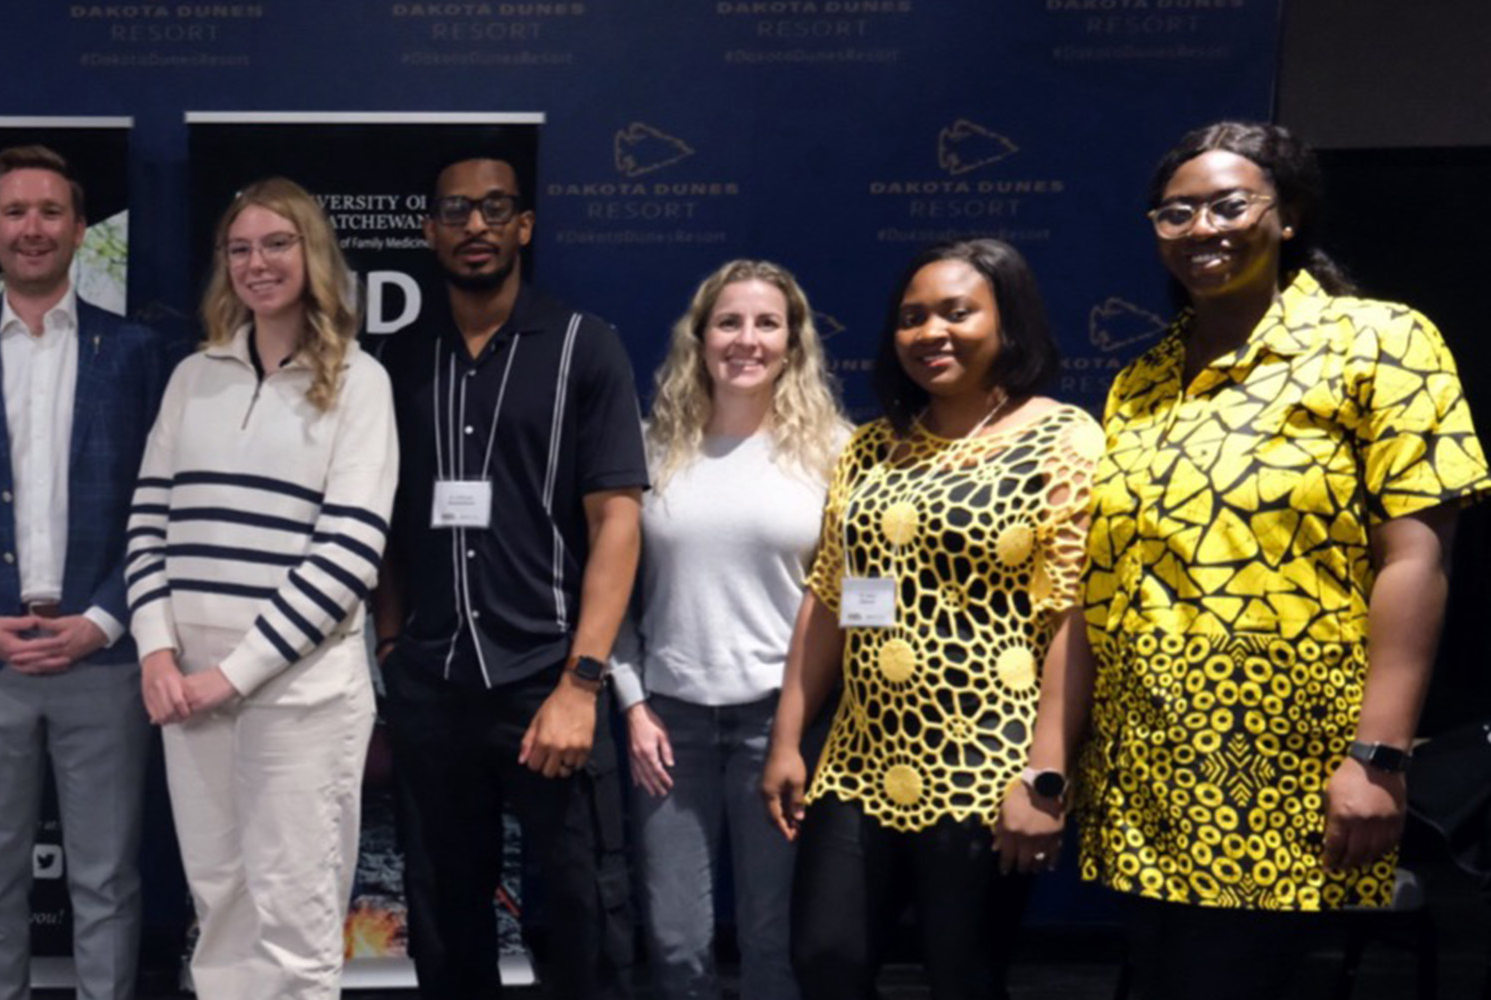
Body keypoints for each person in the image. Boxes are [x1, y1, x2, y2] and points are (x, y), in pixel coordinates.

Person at [1008, 121, 1489, 1000]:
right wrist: (1052, 765)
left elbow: (1418, 555)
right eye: (1176, 213)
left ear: (1290, 216)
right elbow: (1093, 588)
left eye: (1230, 206)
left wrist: (1377, 755)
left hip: (1288, 774)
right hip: (1142, 771)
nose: (1204, 229)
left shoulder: (1379, 341)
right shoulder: (1142, 381)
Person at [757, 238, 1097, 1000]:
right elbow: (829, 594)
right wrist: (787, 738)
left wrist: (1044, 777)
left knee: (963, 979)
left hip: (988, 766)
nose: (930, 332)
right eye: (912, 318)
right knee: (825, 961)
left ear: (1007, 323)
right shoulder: (873, 447)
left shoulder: (1062, 438)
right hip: (859, 763)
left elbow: (1071, 617)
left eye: (956, 312)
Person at [371, 156, 645, 1000]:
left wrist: (583, 680)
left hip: (546, 681)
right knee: (446, 923)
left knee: (574, 915)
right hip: (433, 684)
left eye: (495, 208)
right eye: (455, 210)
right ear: (429, 230)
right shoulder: (395, 360)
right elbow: (377, 522)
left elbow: (618, 524)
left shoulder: (583, 346)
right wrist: (389, 645)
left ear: (525, 225)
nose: (476, 226)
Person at [0, 145, 174, 1000]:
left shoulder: (136, 354)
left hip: (103, 656)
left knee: (105, 881)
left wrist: (104, 617)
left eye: (50, 212)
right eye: (16, 212)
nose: (33, 228)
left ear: (80, 229)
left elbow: (159, 504)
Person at [125, 178, 399, 998]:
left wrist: (231, 675)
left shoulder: (360, 381)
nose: (257, 263)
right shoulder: (193, 376)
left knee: (295, 918)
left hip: (299, 698)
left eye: (277, 244)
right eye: (240, 248)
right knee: (220, 907)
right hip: (186, 694)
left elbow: (348, 554)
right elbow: (146, 523)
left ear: (312, 254)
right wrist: (157, 654)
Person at [608, 260, 847, 1000]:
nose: (747, 340)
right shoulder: (650, 450)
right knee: (678, 950)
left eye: (767, 323)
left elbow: (854, 601)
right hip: (668, 725)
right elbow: (610, 591)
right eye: (729, 322)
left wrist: (798, 727)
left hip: (785, 727)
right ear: (700, 337)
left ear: (793, 341)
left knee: (775, 945)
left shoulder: (837, 453)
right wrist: (632, 703)